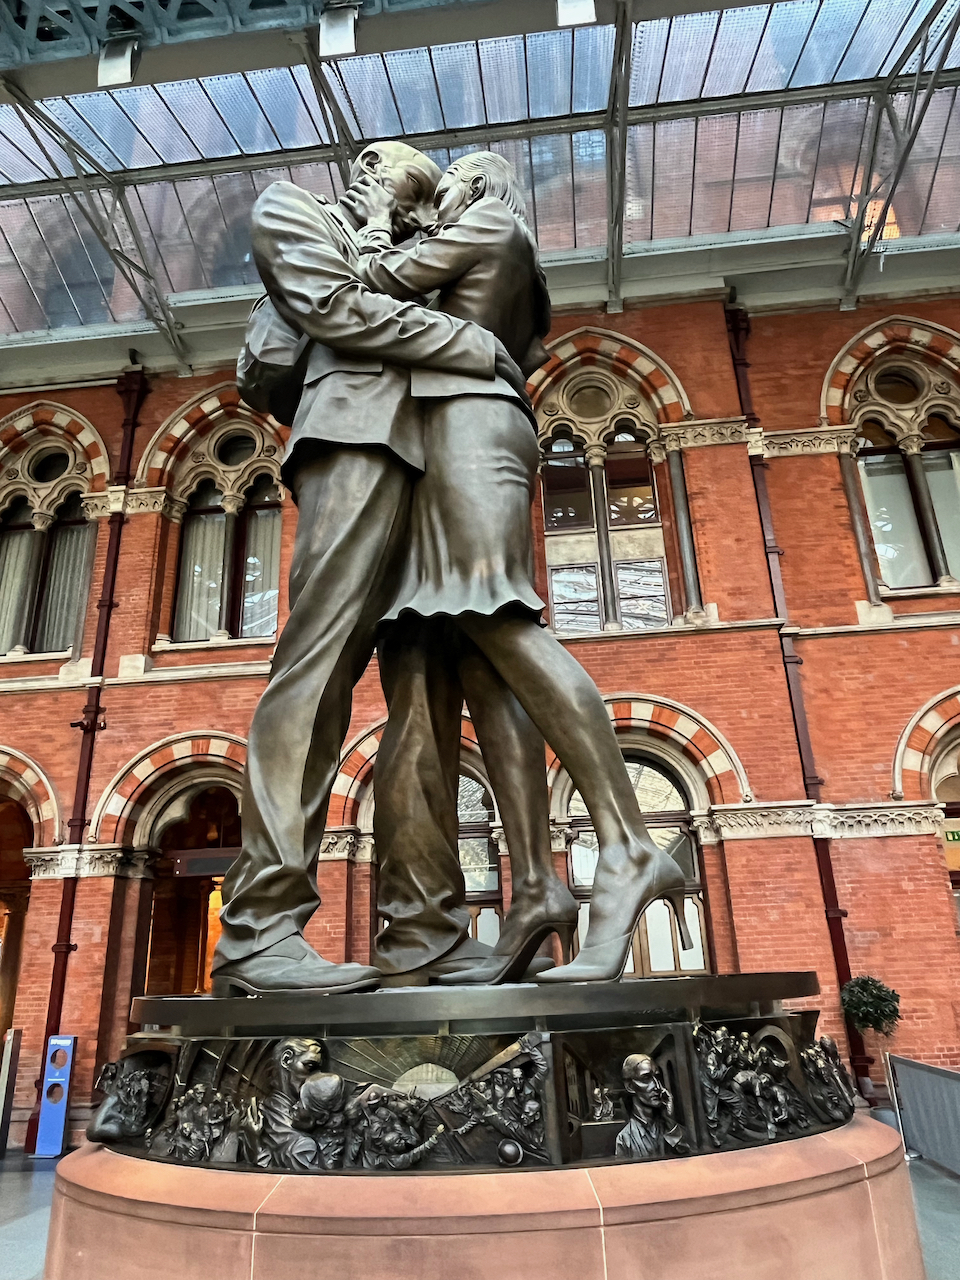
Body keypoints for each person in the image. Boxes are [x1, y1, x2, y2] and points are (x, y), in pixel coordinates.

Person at [213, 142, 567, 996]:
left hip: (435, 459)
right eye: (401, 183)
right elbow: (335, 307)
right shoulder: (293, 210)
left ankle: (424, 934)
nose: (412, 201)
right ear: (366, 175)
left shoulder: (421, 251)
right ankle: (259, 933)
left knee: (427, 697)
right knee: (317, 669)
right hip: (354, 444)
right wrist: (472, 346)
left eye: (422, 197)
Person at [354, 151, 692, 984]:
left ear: (474, 186)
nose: (438, 195)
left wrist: (377, 217)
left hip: (469, 429)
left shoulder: (487, 223)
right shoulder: (505, 262)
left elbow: (371, 283)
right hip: (458, 432)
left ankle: (627, 845)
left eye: (449, 184)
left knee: (497, 617)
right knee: (478, 653)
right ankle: (537, 885)